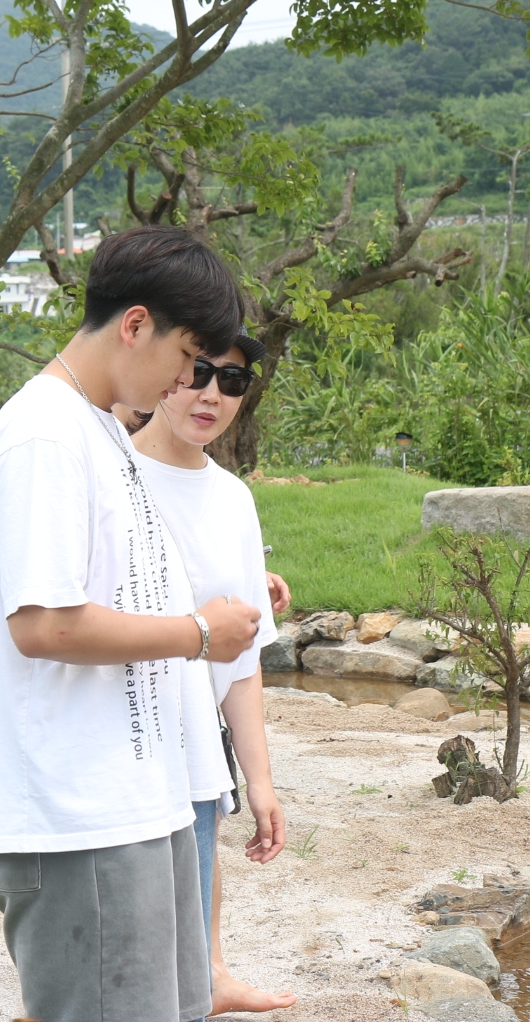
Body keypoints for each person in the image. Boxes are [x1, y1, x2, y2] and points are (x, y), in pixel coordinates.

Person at [0, 226, 262, 1022]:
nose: (189, 379)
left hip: (135, 802)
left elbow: (109, 589)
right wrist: (198, 635)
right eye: (187, 356)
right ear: (135, 325)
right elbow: (45, 626)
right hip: (79, 820)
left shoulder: (99, 429)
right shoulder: (44, 434)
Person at [129, 336, 298, 1015]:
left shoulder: (232, 498)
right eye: (198, 372)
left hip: (198, 749)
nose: (210, 394)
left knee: (197, 877)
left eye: (231, 381)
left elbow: (241, 660)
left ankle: (211, 974)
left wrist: (260, 781)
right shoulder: (112, 476)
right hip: (121, 744)